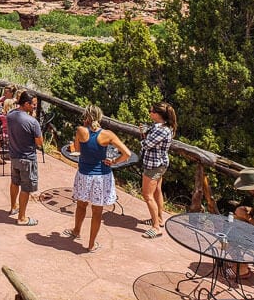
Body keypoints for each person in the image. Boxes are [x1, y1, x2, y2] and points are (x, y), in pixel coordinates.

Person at [62, 105, 131, 253]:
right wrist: (114, 161)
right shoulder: (108, 134)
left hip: (85, 174)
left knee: (81, 205)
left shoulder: (81, 130)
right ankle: (91, 244)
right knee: (97, 211)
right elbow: (127, 153)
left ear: (86, 116)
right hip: (102, 176)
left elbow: (77, 149)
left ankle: (76, 230)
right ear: (100, 117)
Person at [139, 101, 177, 238]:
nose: (150, 113)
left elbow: (147, 145)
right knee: (157, 191)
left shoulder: (161, 130)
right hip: (160, 163)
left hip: (153, 165)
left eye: (152, 111)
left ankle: (156, 227)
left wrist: (143, 135)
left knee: (147, 195)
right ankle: (159, 219)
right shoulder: (163, 127)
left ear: (158, 115)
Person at [5, 91, 43, 226]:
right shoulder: (33, 122)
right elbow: (40, 142)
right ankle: (22, 218)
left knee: (14, 182)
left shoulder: (10, 115)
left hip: (14, 155)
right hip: (27, 159)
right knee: (26, 188)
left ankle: (13, 207)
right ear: (26, 104)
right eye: (33, 105)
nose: (35, 107)